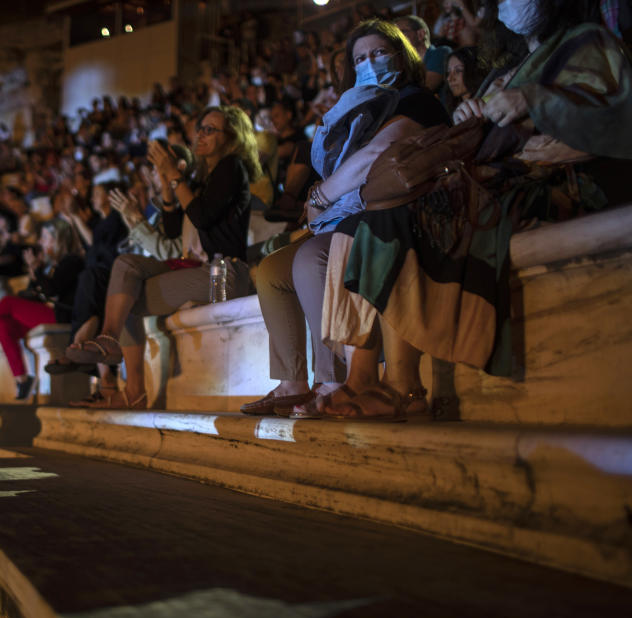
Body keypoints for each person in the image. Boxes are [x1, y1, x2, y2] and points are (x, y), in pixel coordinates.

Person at [318, 0, 632, 420]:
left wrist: (532, 100)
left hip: (553, 179)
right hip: (493, 179)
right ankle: (372, 381)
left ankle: (402, 387)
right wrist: (472, 113)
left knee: (399, 216)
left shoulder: (588, 42)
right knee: (369, 222)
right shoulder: (514, 65)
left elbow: (616, 116)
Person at [241, 18, 451, 417]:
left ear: (402, 56)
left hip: (394, 214)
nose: (368, 63)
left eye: (378, 53)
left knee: (310, 259)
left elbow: (378, 156)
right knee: (272, 271)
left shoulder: (415, 100)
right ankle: (292, 382)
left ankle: (335, 378)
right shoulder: (356, 111)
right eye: (359, 58)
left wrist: (321, 194)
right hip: (344, 217)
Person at [65, 105, 260, 409]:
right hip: (200, 271)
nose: (201, 134)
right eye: (200, 128)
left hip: (224, 274)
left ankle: (133, 390)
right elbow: (172, 231)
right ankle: (109, 339)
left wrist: (173, 176)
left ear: (232, 137)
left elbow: (203, 217)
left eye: (211, 129)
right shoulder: (204, 179)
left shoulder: (232, 167)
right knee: (125, 268)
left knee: (125, 294)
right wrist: (169, 189)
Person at [0, 219, 84, 400]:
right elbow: (36, 294)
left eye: (45, 237)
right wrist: (35, 273)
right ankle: (22, 379)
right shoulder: (51, 265)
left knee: (7, 302)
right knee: (3, 324)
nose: (41, 242)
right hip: (48, 312)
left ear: (58, 239)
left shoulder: (71, 261)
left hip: (63, 314)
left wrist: (36, 270)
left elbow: (52, 290)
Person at [395, 14, 454, 93]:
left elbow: (425, 88)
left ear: (421, 34)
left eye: (401, 33)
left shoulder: (440, 52)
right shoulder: (405, 65)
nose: (396, 38)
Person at [444, 46, 488, 114]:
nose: (449, 78)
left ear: (473, 72)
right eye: (448, 72)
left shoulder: (486, 104)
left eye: (458, 70)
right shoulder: (453, 107)